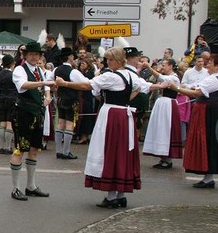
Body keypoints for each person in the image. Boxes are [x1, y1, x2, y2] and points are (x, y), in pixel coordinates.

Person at [56, 47, 155, 208]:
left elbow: (87, 85)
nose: (107, 62)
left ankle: (111, 196)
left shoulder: (111, 76)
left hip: (112, 115)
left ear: (118, 60)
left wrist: (64, 83)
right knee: (122, 151)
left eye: (110, 60)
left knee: (110, 150)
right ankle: (120, 194)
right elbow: (144, 87)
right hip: (124, 115)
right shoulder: (130, 75)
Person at [173, 53, 218, 188]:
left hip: (207, 114)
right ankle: (207, 177)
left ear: (217, 66)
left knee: (206, 142)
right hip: (211, 112)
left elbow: (197, 93)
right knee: (209, 142)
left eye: (210, 62)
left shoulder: (214, 79)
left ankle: (208, 177)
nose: (207, 64)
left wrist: (177, 89)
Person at [8, 42, 55, 201]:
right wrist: (43, 83)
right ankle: (16, 188)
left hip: (37, 113)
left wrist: (48, 96)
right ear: (25, 55)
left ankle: (31, 186)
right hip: (23, 114)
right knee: (20, 149)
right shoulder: (20, 69)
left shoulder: (39, 71)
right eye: (31, 54)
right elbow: (22, 86)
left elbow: (46, 86)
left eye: (37, 54)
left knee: (34, 149)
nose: (35, 57)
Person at [142, 58, 183, 169]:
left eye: (164, 65)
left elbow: (161, 78)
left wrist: (149, 67)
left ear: (171, 66)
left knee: (165, 129)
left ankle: (167, 159)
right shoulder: (169, 77)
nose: (162, 67)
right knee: (160, 129)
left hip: (168, 105)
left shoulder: (174, 78)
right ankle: (163, 158)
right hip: (163, 104)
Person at [52, 45, 86, 160]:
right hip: (71, 99)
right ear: (70, 57)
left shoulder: (56, 69)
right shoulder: (73, 72)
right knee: (69, 124)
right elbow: (84, 83)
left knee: (60, 123)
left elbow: (52, 83)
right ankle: (66, 152)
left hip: (60, 98)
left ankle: (58, 151)